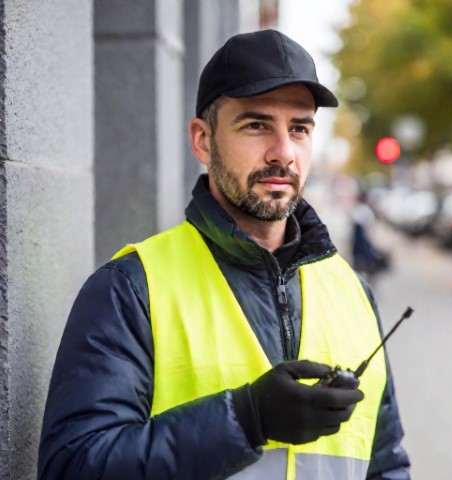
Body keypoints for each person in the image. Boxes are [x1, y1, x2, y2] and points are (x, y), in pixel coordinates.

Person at [37, 30, 410, 480]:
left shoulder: (352, 292)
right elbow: (73, 467)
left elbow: (385, 464)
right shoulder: (131, 289)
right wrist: (246, 419)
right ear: (202, 140)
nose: (283, 153)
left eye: (299, 128)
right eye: (256, 125)